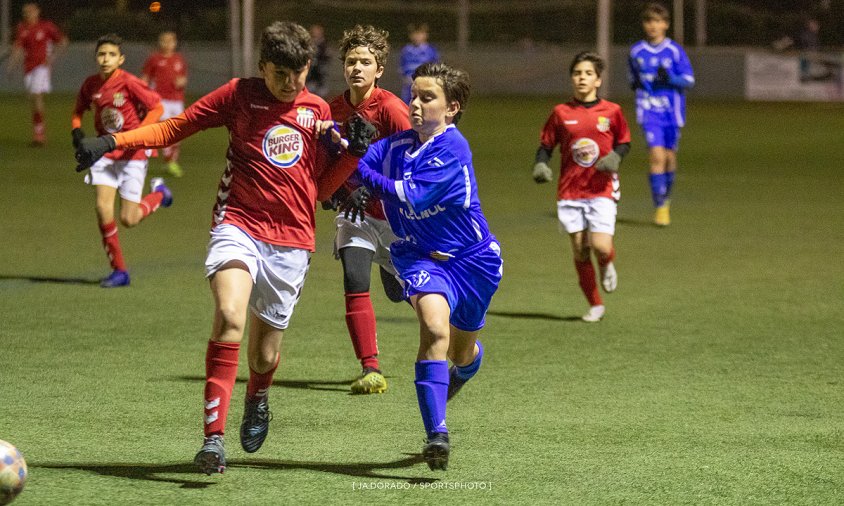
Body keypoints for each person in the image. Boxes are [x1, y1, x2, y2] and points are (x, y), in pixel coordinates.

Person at [74, 21, 332, 475]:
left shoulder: (317, 111)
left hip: (292, 240)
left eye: (299, 73)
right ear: (263, 66)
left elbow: (326, 182)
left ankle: (258, 394)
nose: (291, 84)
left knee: (265, 354)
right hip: (238, 224)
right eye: (280, 74)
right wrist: (112, 142)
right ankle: (212, 440)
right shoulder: (239, 94)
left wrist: (351, 157)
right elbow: (174, 127)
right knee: (230, 316)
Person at [339, 62, 503, 471]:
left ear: (452, 108)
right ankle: (437, 435)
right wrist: (343, 146)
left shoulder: (452, 148)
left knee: (462, 353)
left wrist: (359, 168)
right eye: (413, 95)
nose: (415, 103)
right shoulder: (396, 145)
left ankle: (465, 368)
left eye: (427, 97)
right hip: (419, 256)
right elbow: (359, 165)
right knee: (433, 328)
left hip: (473, 261)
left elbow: (408, 196)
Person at [316, 25, 411, 395]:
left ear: (379, 69)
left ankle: (395, 275)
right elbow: (322, 170)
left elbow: (413, 161)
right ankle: (371, 368)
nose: (357, 67)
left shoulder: (391, 109)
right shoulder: (331, 111)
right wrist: (341, 197)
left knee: (411, 292)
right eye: (352, 61)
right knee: (354, 279)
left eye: (366, 62)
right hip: (355, 215)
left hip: (396, 218)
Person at [532, 51, 631, 323]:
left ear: (598, 80)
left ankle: (607, 262)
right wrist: (541, 165)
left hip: (601, 189)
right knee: (579, 248)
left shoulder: (612, 111)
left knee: (599, 245)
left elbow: (624, 141)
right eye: (577, 73)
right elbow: (546, 146)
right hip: (570, 191)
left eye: (588, 73)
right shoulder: (561, 113)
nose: (582, 78)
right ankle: (596, 305)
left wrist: (615, 157)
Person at [71, 33, 171, 288]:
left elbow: (157, 107)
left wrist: (142, 133)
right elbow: (78, 109)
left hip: (132, 154)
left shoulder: (129, 82)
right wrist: (76, 129)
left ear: (120, 59)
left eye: (111, 55)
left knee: (129, 219)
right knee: (103, 208)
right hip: (104, 152)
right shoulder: (91, 84)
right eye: (102, 54)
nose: (106, 59)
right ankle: (119, 271)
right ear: (96, 57)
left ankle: (159, 193)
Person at [628, 2, 694, 226]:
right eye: (649, 21)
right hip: (649, 111)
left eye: (658, 21)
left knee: (669, 159)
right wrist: (637, 83)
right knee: (656, 157)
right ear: (644, 25)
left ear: (665, 24)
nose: (653, 26)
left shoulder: (674, 51)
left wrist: (670, 79)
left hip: (672, 112)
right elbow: (633, 79)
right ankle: (660, 207)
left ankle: (666, 197)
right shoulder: (637, 52)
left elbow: (689, 80)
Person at [6, 2, 68, 146]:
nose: (28, 14)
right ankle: (38, 130)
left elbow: (63, 41)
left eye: (31, 11)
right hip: (28, 68)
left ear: (37, 12)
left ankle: (39, 135)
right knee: (33, 99)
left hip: (42, 67)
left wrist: (52, 58)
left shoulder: (47, 27)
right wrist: (11, 66)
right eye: (26, 12)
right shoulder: (22, 28)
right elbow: (18, 49)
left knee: (36, 95)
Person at [142, 31, 189, 177]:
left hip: (177, 101)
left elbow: (183, 78)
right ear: (159, 42)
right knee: (163, 132)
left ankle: (171, 162)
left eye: (171, 41)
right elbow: (145, 78)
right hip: (160, 100)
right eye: (164, 41)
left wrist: (182, 81)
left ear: (175, 43)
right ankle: (148, 159)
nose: (167, 44)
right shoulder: (154, 59)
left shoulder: (179, 59)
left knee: (178, 133)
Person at [399, 23, 439, 104]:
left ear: (425, 35)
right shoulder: (406, 50)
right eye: (415, 34)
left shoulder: (431, 51)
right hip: (409, 86)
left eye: (420, 33)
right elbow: (402, 68)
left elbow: (436, 69)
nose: (417, 36)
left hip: (425, 85)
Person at [305, 24, 331, 97]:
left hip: (320, 76)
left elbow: (327, 58)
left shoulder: (324, 45)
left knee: (321, 94)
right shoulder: (308, 44)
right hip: (310, 76)